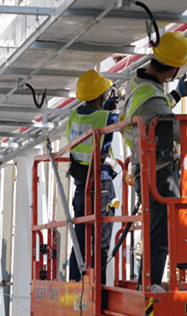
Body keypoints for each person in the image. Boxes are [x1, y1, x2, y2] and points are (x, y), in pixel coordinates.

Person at [122, 31, 187, 288]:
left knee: (156, 228)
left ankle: (149, 281)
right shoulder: (151, 96)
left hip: (146, 167)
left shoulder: (139, 83)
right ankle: (151, 284)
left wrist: (176, 96)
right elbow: (172, 128)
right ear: (173, 68)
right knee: (161, 230)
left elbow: (156, 109)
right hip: (159, 170)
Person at [66, 69, 120, 284]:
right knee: (101, 242)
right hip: (102, 187)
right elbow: (128, 120)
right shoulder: (105, 117)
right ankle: (98, 290)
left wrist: (105, 108)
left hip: (81, 187)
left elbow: (91, 121)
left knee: (80, 242)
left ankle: (75, 283)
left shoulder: (73, 116)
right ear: (101, 96)